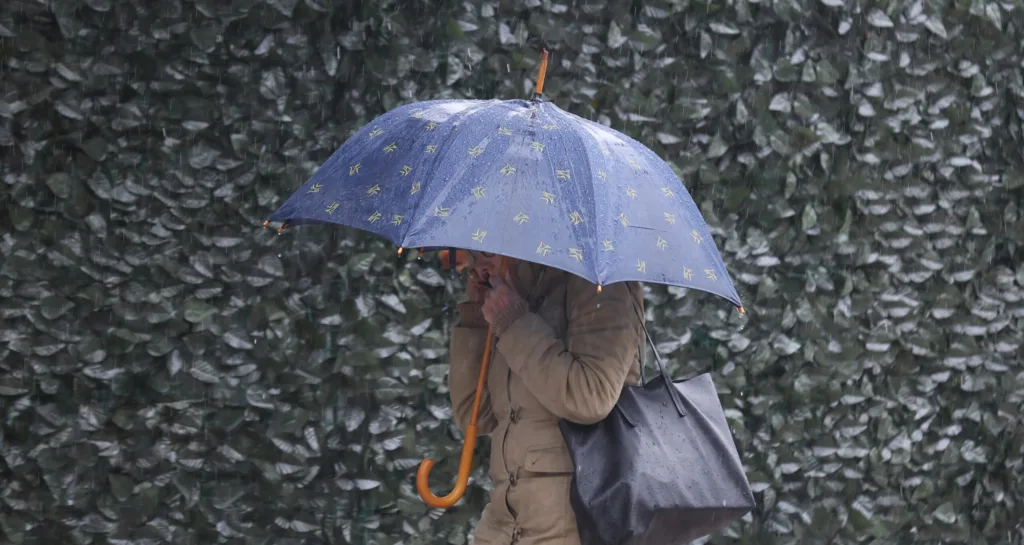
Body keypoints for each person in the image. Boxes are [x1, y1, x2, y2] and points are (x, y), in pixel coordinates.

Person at [448, 250, 646, 545]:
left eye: (488, 251)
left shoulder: (602, 281)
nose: (481, 263)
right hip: (502, 527)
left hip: (577, 527)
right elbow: (476, 415)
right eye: (477, 254)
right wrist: (478, 314)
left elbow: (590, 397)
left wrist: (514, 322)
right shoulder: (519, 292)